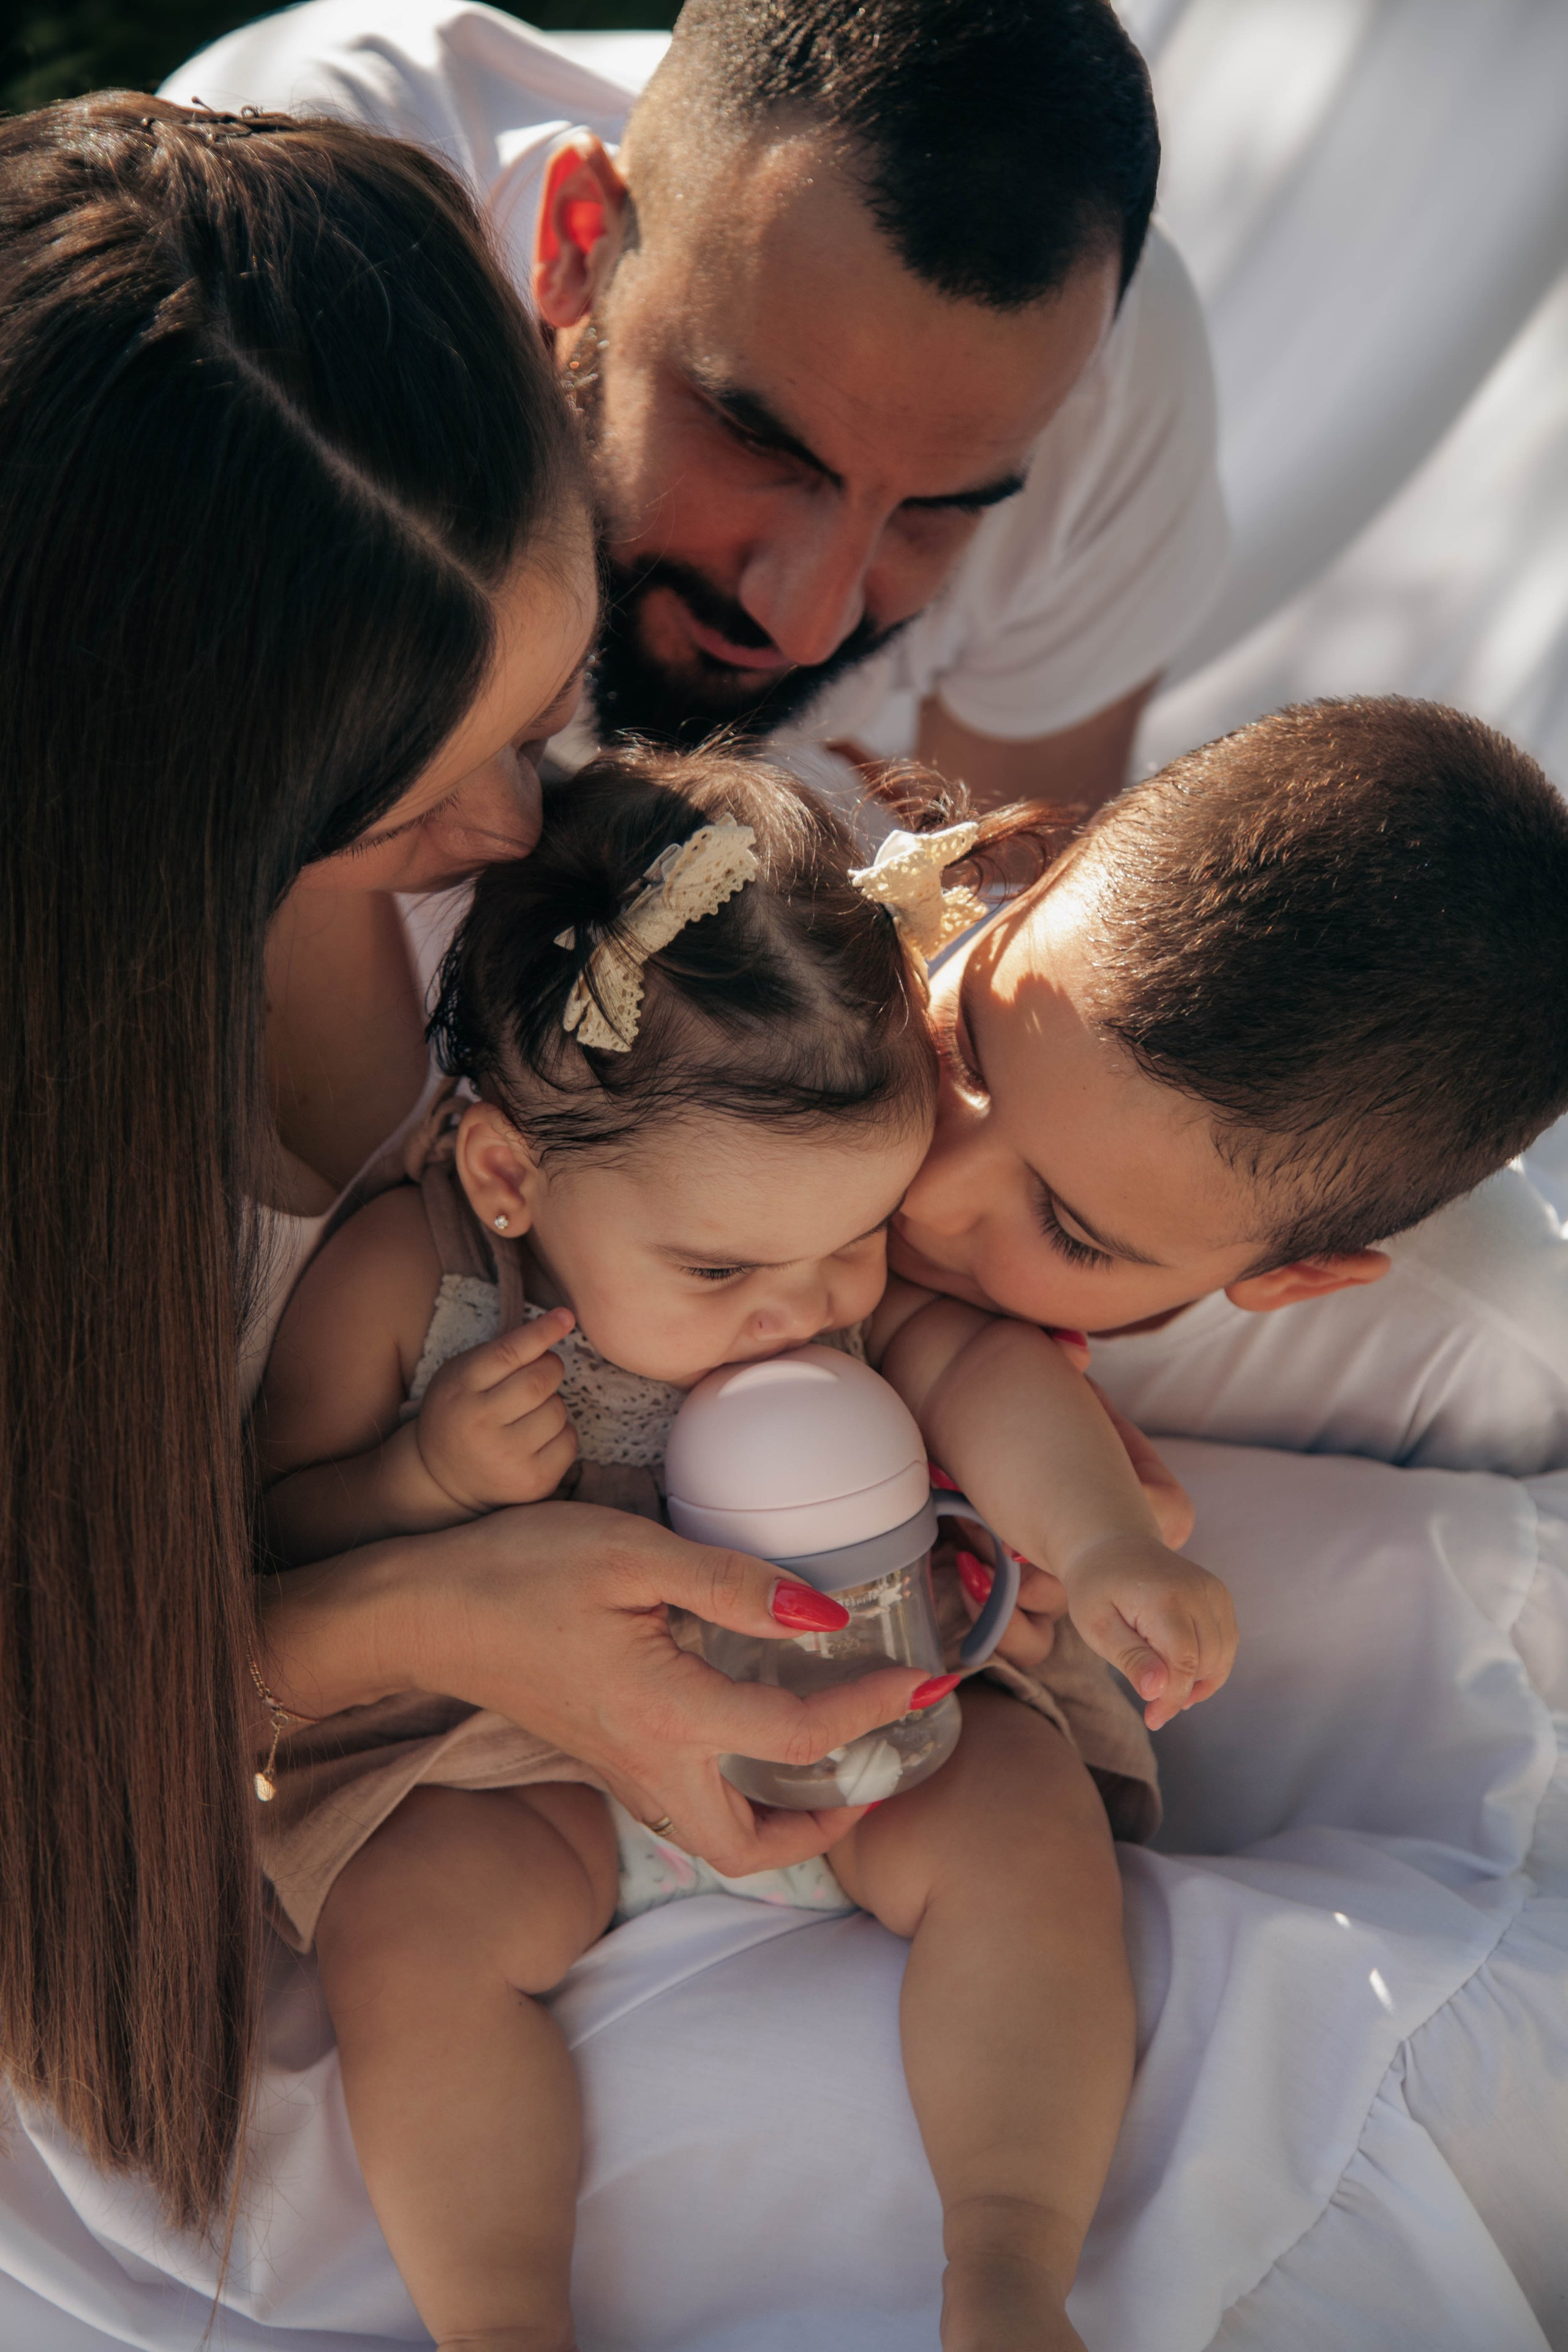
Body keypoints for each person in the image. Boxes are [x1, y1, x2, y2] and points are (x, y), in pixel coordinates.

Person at [0, 91, 937, 2252]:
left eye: (547, 711)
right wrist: (428, 1603)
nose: (525, 833)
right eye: (431, 798)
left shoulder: (546, 912)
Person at [257, 747, 1235, 2352]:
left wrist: (1110, 1542)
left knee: (1023, 1822)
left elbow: (988, 1381)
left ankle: (1006, 2265)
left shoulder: (823, 1276)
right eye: (721, 1273)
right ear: (510, 1176)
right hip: (533, 1774)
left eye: (851, 1244)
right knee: (407, 1925)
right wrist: (421, 1478)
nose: (800, 1313)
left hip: (855, 1708)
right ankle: (500, 2314)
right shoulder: (406, 1280)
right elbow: (282, 1527)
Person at [163, 0, 1227, 812]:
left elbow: (992, 933)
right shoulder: (286, 240)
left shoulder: (1105, 374)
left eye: (936, 509)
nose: (808, 622)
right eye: (759, 439)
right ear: (578, 243)